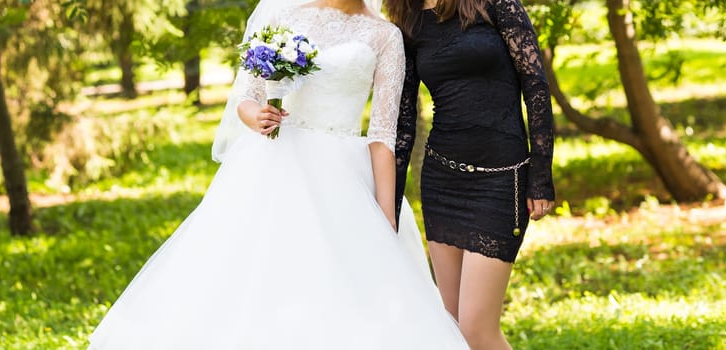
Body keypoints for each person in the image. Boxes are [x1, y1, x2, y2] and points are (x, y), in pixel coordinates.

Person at [86, 0, 471, 349]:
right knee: (252, 276)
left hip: (342, 176)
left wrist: (385, 212)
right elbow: (246, 97)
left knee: (340, 290)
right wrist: (255, 115)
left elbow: (383, 134)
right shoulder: (286, 16)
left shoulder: (385, 36)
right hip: (271, 167)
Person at [386, 0, 556, 349]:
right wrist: (389, 206)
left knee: (477, 329)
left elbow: (535, 86)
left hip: (500, 179)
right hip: (442, 181)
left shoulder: (495, 4)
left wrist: (541, 174)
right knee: (452, 327)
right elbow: (404, 122)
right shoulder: (409, 20)